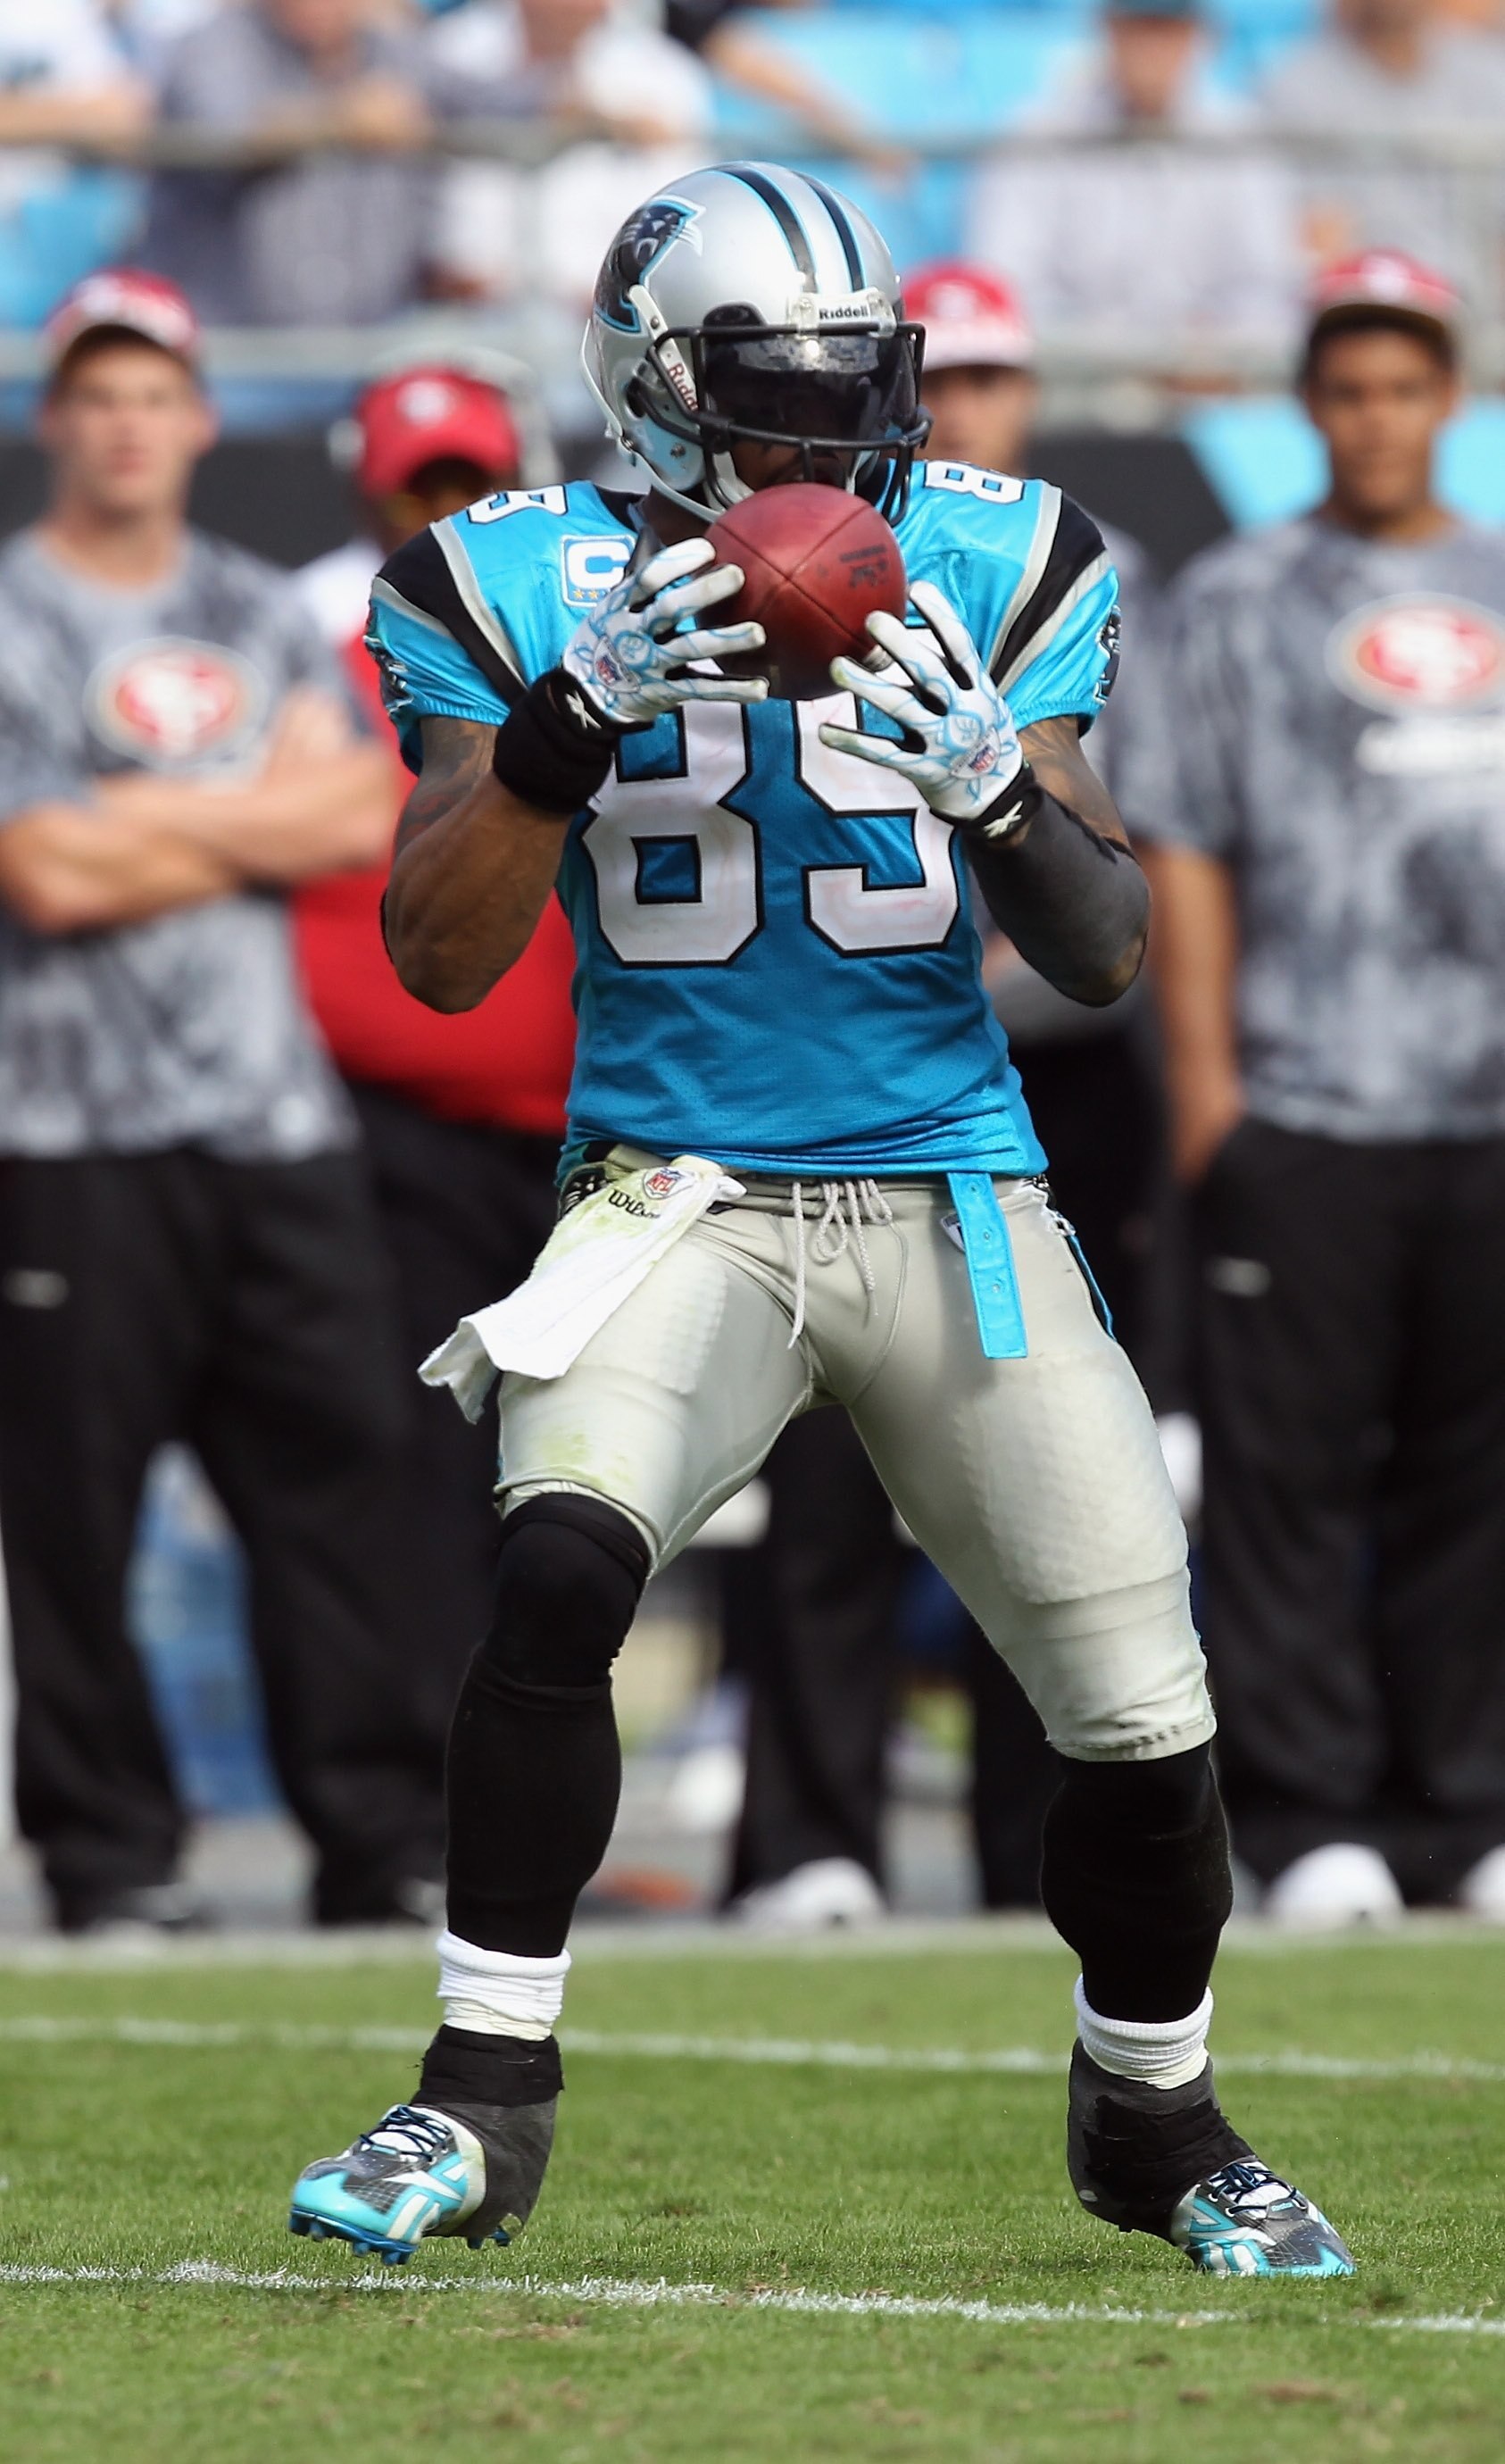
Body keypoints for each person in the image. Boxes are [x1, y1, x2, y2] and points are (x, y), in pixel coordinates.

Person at [287, 162, 1351, 2279]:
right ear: (655, 391)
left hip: (951, 1184)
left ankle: (1150, 2114)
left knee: (1142, 1715)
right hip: (674, 1187)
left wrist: (994, 797)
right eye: (773, 394)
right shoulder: (502, 581)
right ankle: (476, 2097)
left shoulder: (996, 547)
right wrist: (553, 739)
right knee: (560, 1553)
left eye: (854, 388)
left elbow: (1109, 940)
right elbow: (430, 945)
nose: (824, 443)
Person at [727, 262, 1173, 1931]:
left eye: (992, 381)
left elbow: (1121, 874)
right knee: (820, 1500)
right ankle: (809, 1842)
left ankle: (1022, 1860)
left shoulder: (1034, 560)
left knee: (1036, 1499)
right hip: (816, 1086)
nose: (966, 413)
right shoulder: (751, 562)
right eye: (949, 380)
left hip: (1032, 1087)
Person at [0, 270, 443, 1933]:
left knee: (339, 1495)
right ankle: (114, 1862)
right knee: (73, 1522)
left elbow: (354, 819)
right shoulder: (13, 615)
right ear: (56, 419)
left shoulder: (263, 609)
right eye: (96, 394)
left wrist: (136, 819)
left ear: (196, 416)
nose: (126, 424)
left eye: (154, 394)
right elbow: (39, 871)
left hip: (274, 1126)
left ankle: (378, 1841)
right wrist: (232, 810)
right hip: (65, 1131)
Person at [1128, 251, 1505, 1927]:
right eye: (1346, 389)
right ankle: (1308, 1813)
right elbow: (1184, 843)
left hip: (1483, 1111)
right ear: (1308, 410)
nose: (1376, 418)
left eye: (1405, 386)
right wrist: (1209, 1094)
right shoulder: (1234, 598)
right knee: (1287, 1485)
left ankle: (1468, 1808)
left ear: (1451, 400)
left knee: (1475, 1483)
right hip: (1303, 1101)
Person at [295, 362, 578, 1765]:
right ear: (372, 492)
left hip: (589, 1135)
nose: (442, 514)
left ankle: (527, 1785)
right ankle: (414, 1800)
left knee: (572, 1493)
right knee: (404, 1485)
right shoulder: (317, 641)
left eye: (467, 485)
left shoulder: (581, 636)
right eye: (420, 489)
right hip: (390, 1126)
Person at [965, 0, 1301, 360]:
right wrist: (1105, 353)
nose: (1152, 50)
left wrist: (1213, 351)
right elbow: (1005, 284)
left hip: (1210, 385)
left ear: (1200, 35)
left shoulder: (1244, 140)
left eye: (1167, 29)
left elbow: (1267, 288)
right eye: (1138, 28)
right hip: (1068, 383)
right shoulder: (1034, 134)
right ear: (1109, 29)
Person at [141, 0, 439, 326]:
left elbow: (492, 104)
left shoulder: (392, 48)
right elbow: (228, 136)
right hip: (233, 350)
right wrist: (340, 119)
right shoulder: (217, 44)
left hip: (365, 343)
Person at [423, 0, 711, 312]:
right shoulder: (446, 50)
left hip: (604, 326)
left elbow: (674, 227)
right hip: (444, 316)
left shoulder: (664, 73)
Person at [1261, 0, 1505, 297]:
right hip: (1362, 309)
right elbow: (1316, 239)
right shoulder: (1292, 84)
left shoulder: (1488, 75)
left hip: (1474, 308)